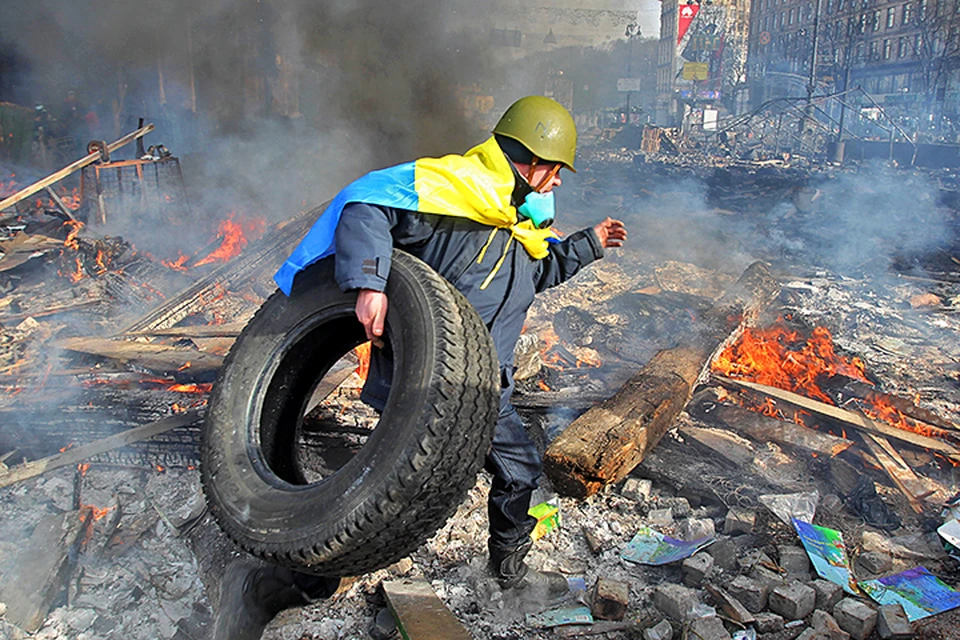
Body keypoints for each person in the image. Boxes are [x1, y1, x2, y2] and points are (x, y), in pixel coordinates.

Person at [213, 95, 626, 639]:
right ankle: (287, 583)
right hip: (420, 384)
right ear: (528, 162)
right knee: (365, 502)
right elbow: (364, 207)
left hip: (482, 386)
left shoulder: (522, 224)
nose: (557, 183)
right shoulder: (447, 196)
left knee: (520, 470)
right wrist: (369, 281)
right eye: (554, 171)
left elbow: (536, 276)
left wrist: (587, 246)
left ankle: (508, 574)